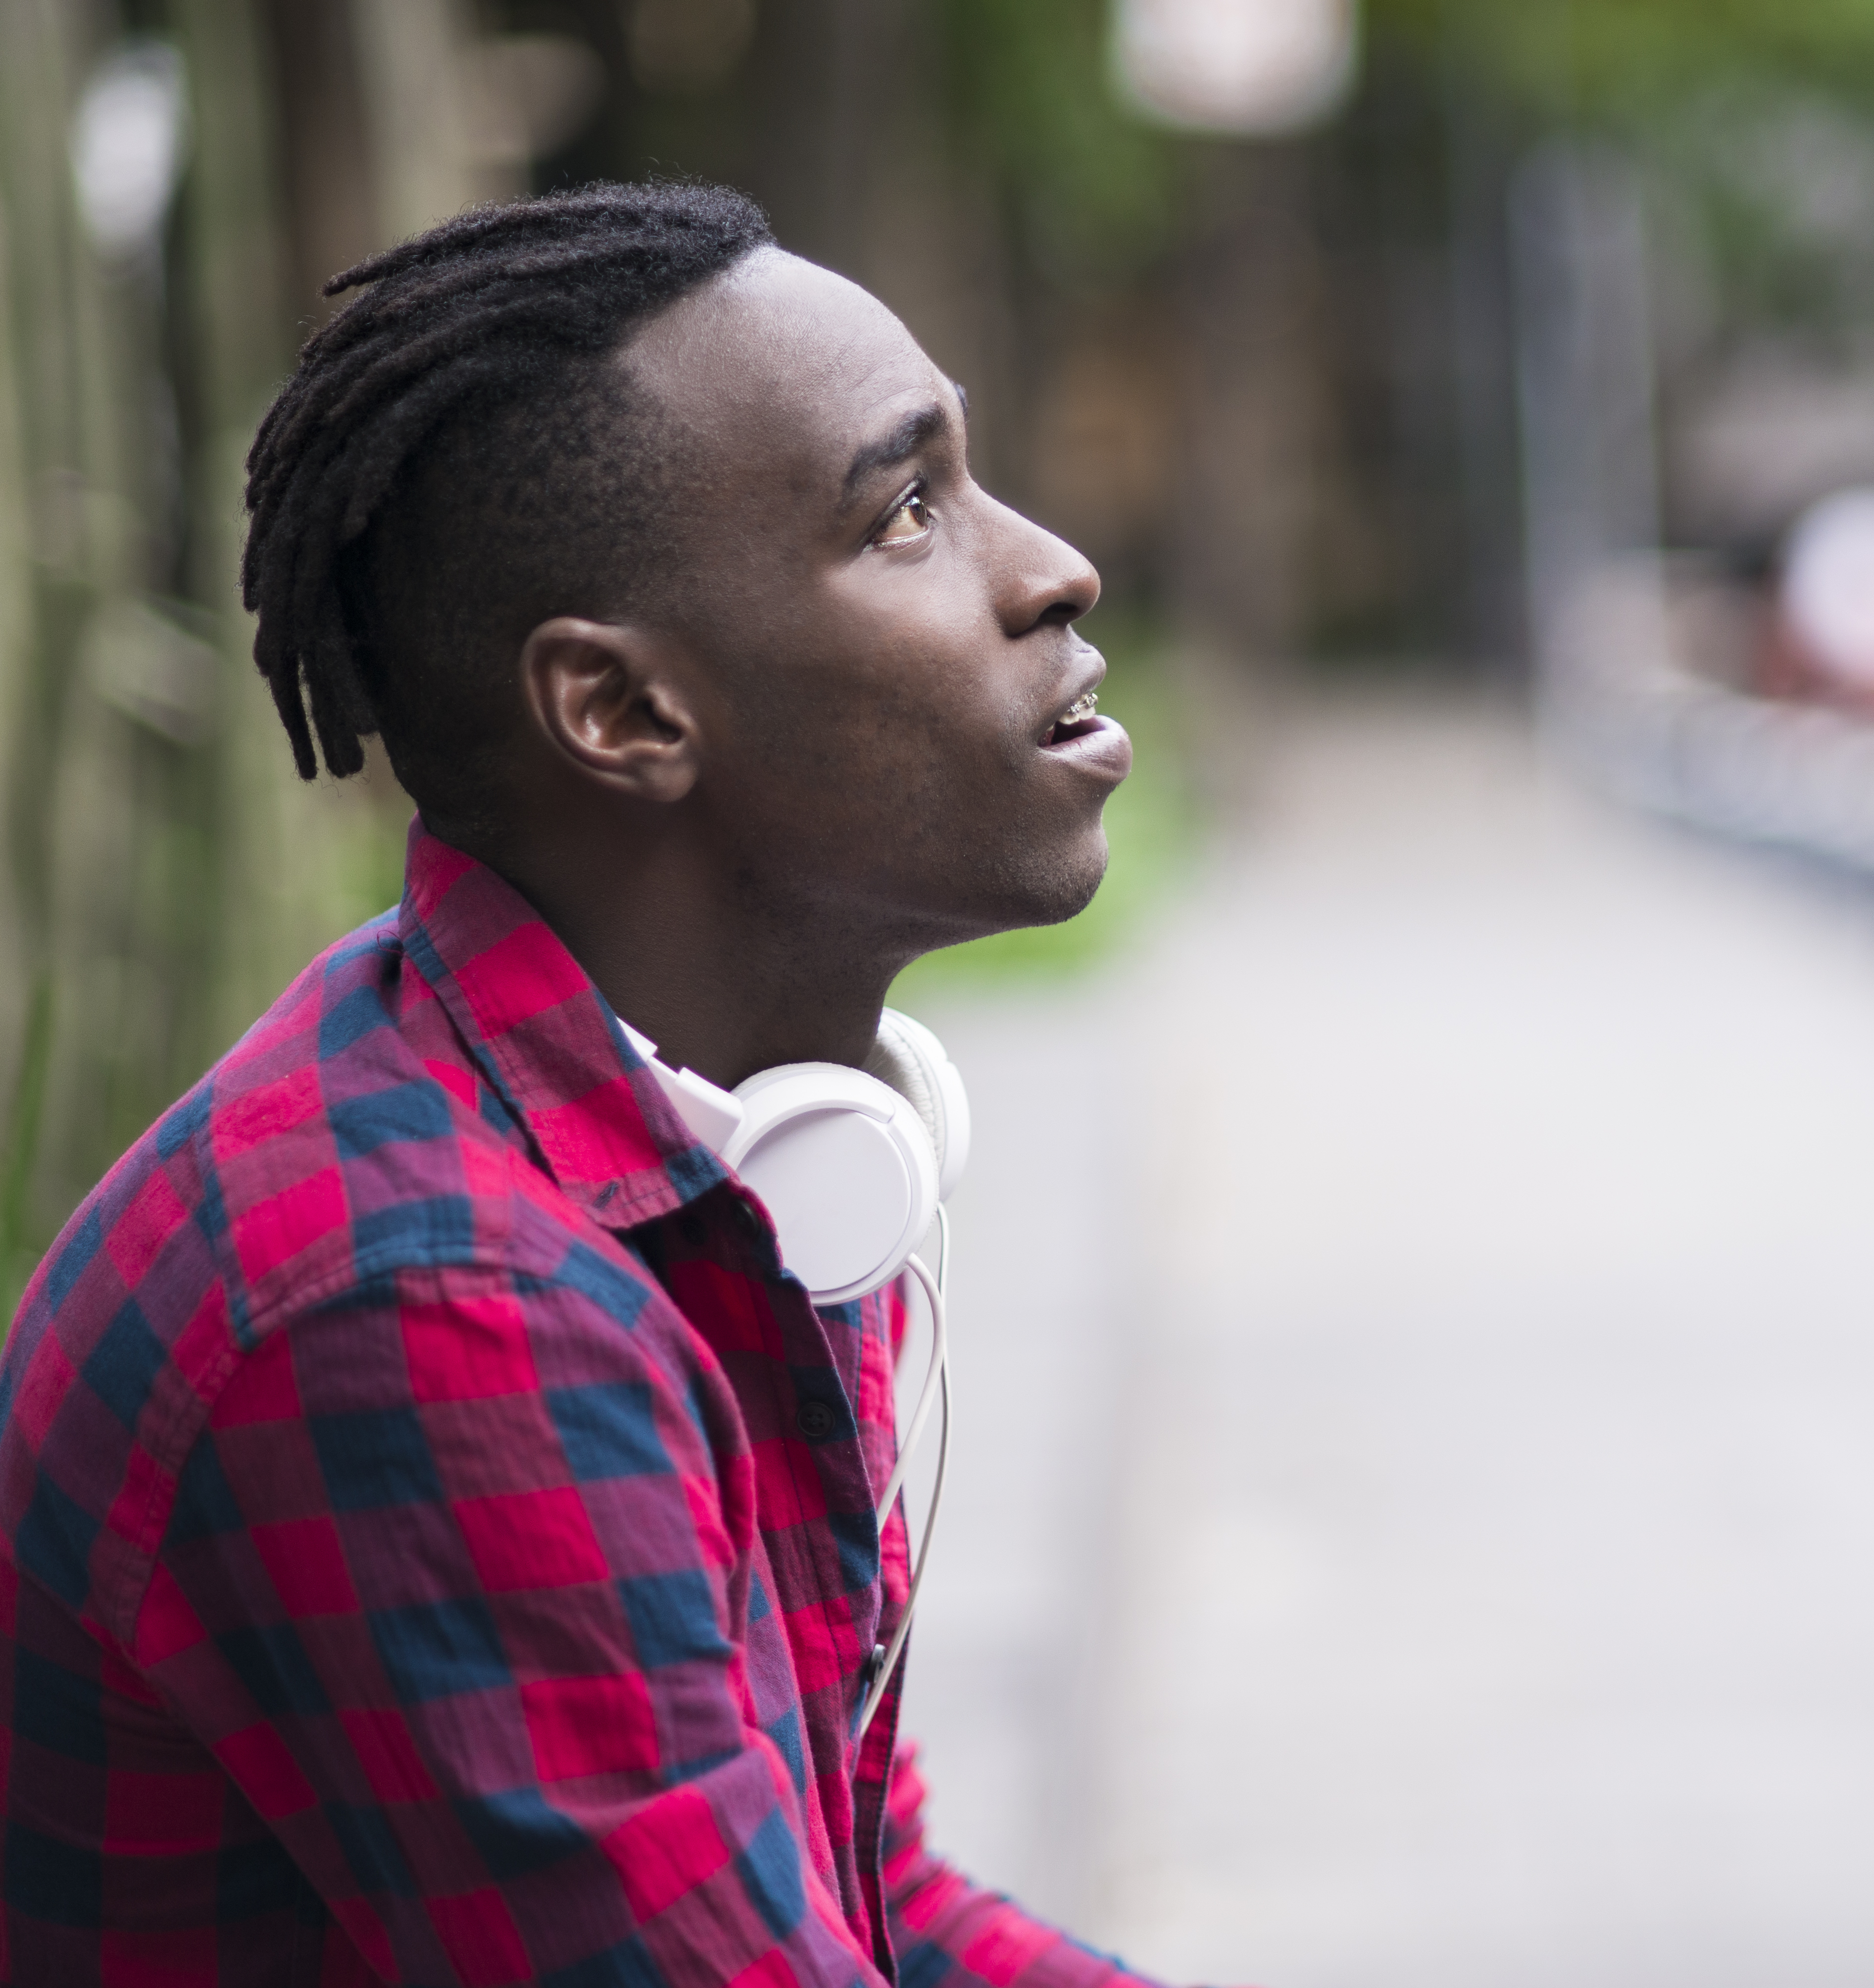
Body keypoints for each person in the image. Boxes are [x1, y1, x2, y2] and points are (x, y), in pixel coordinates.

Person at [0, 184, 1178, 1986]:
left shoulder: (723, 1153)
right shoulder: (424, 1309)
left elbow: (876, 1898)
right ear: (622, 716)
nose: (1047, 569)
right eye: (908, 511)